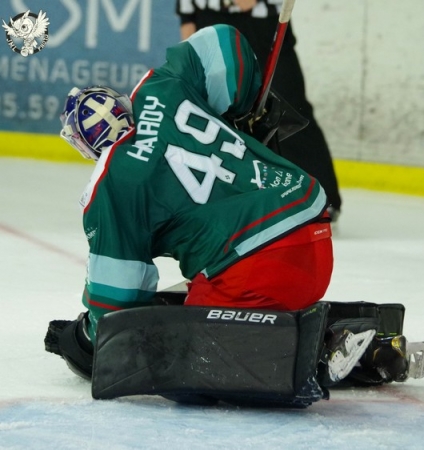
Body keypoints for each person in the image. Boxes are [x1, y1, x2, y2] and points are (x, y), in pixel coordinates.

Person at [43, 24, 371, 386]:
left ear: (84, 147)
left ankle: (317, 358)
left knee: (182, 356)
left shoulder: (112, 184)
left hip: (259, 269)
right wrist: (244, 107)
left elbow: (116, 305)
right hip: (311, 224)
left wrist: (84, 338)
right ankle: (356, 346)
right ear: (121, 103)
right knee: (190, 293)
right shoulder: (158, 88)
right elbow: (224, 46)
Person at [176, 0, 343, 225]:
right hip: (211, 31)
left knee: (287, 112)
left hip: (262, 31)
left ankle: (324, 198)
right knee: (215, 117)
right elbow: (188, 15)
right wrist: (192, 56)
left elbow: (246, 3)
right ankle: (220, 197)